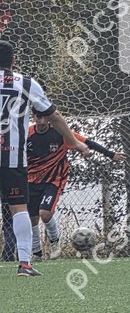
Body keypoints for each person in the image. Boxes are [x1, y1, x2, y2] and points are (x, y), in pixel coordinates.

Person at [0, 40, 90, 275]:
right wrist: (74, 142)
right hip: (13, 156)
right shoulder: (25, 83)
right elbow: (54, 115)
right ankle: (25, 264)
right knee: (19, 208)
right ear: (13, 60)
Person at [26, 111, 124, 259]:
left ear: (49, 118)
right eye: (38, 117)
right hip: (30, 180)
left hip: (54, 180)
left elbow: (87, 142)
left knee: (45, 214)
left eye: (44, 117)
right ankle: (36, 252)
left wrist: (110, 154)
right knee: (31, 217)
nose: (41, 121)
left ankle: (54, 241)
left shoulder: (60, 133)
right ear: (34, 117)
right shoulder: (27, 134)